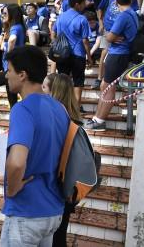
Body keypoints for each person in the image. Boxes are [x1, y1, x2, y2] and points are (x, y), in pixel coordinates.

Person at [1, 46, 69, 246]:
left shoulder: (22, 109)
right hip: (53, 209)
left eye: (9, 70)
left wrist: (12, 189)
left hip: (26, 211)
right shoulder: (59, 108)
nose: (6, 75)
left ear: (22, 75)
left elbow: (16, 162)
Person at [86, 0, 139, 131]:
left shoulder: (124, 16)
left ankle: (100, 120)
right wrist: (113, 36)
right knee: (105, 86)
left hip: (118, 54)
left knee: (108, 87)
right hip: (118, 53)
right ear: (131, 0)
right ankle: (97, 117)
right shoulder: (133, 13)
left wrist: (112, 35)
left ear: (116, 2)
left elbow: (109, 37)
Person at [42, 73, 82, 246]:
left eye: (44, 87)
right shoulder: (74, 120)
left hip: (56, 187)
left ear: (54, 92)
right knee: (59, 236)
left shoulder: (55, 121)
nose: (40, 90)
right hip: (68, 187)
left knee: (54, 239)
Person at [51, 0, 93, 104]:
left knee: (62, 83)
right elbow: (85, 40)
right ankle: (76, 110)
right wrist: (89, 57)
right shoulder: (82, 19)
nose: (85, 5)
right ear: (77, 4)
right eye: (83, 3)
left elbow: (53, 32)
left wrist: (55, 43)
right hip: (78, 55)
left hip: (62, 54)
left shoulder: (60, 17)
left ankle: (60, 107)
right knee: (78, 83)